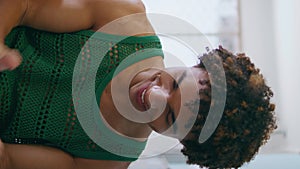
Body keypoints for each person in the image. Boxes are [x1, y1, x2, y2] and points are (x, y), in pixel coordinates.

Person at [0, 0, 276, 169]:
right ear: (196, 65)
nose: (153, 95)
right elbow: (25, 5)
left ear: (183, 143)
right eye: (176, 84)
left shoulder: (106, 161)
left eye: (168, 115)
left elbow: (8, 161)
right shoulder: (124, 16)